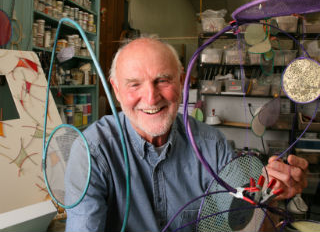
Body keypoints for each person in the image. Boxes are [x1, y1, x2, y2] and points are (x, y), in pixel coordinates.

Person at [65, 37, 308, 232]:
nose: (151, 98)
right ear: (116, 90)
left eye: (162, 80)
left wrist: (267, 196)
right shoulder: (92, 152)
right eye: (134, 84)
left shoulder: (213, 147)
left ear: (182, 83)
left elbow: (242, 225)